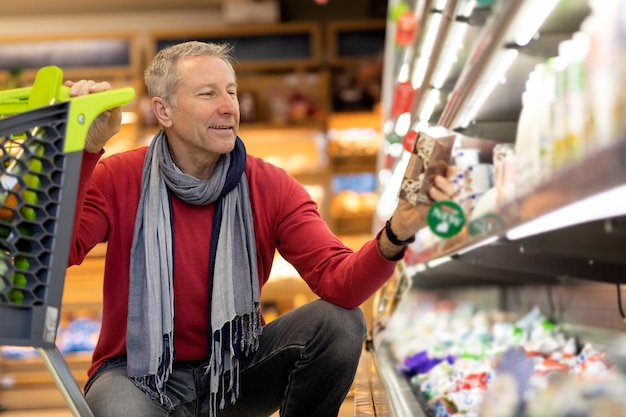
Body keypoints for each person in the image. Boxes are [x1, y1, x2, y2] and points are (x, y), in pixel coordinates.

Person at [66, 41, 456, 417]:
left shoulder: (269, 186)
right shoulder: (119, 177)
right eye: (207, 94)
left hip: (235, 374)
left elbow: (341, 283)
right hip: (135, 374)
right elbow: (62, 250)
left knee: (339, 322)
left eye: (232, 92)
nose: (228, 107)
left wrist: (397, 232)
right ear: (163, 111)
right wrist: (84, 151)